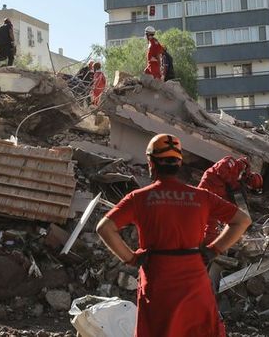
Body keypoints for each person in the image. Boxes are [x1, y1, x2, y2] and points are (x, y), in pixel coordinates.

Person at [96, 134, 251, 337]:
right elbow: (243, 220)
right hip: (195, 281)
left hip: (159, 281)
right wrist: (214, 250)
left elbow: (105, 228)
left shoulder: (139, 198)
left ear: (151, 163)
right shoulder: (201, 196)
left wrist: (132, 258)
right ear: (179, 163)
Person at [198, 156, 262, 244]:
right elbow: (221, 170)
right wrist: (233, 183)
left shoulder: (237, 180)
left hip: (218, 191)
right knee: (199, 209)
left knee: (214, 215)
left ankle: (208, 240)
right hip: (209, 184)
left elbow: (230, 200)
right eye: (248, 182)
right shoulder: (231, 161)